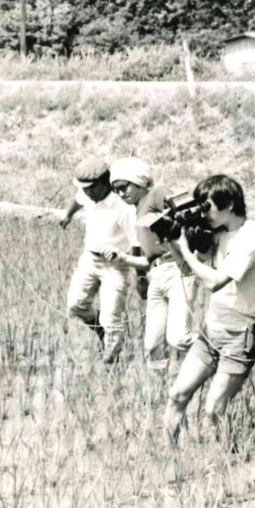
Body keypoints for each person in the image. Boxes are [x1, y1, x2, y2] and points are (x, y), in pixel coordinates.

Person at [160, 174, 255, 446]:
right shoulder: (217, 233)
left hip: (240, 336)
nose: (203, 214)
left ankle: (228, 460)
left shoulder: (253, 238)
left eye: (207, 207)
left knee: (214, 409)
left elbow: (215, 282)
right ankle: (167, 457)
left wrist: (184, 248)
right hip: (212, 331)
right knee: (176, 396)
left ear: (230, 204)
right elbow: (186, 268)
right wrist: (174, 240)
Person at [102, 157, 196, 368]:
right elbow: (149, 260)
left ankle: (222, 347)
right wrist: (122, 257)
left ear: (139, 181)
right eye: (116, 190)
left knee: (179, 338)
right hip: (157, 274)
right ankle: (159, 385)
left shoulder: (156, 195)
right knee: (152, 345)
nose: (121, 193)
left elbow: (184, 210)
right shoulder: (138, 212)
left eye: (124, 187)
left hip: (178, 271)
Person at [59, 155, 138, 364]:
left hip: (115, 266)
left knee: (111, 319)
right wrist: (68, 215)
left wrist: (141, 276)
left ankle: (110, 363)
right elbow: (78, 199)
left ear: (105, 182)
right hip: (89, 259)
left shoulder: (124, 207)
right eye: (84, 188)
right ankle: (101, 331)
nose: (87, 193)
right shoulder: (87, 193)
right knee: (76, 305)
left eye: (91, 188)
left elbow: (136, 244)